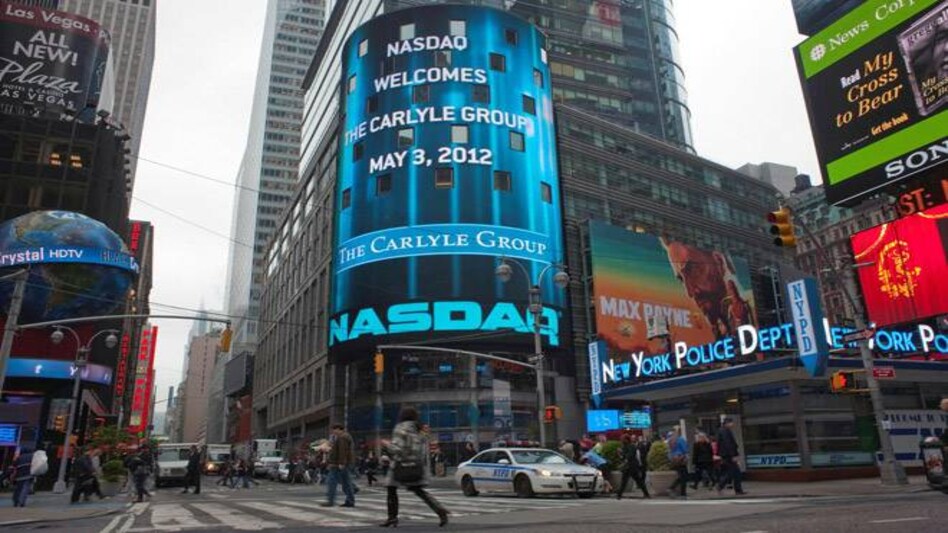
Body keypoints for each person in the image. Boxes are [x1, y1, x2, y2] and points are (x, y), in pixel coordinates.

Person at [381, 406, 448, 528]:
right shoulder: (419, 429)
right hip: (416, 465)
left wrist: (387, 445)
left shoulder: (400, 428)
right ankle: (440, 510)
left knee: (391, 489)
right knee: (418, 490)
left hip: (400, 464)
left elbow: (398, 449)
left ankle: (392, 518)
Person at [320, 424, 356, 508]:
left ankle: (331, 501)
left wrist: (341, 463)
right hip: (340, 464)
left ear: (339, 429)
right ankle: (350, 500)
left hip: (337, 464)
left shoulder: (342, 437)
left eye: (334, 430)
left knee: (331, 482)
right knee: (346, 483)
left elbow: (343, 451)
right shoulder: (343, 437)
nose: (333, 432)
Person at [716, 418, 746, 496]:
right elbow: (728, 444)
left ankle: (738, 490)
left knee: (735, 472)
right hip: (728, 455)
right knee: (732, 472)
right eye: (731, 423)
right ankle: (721, 485)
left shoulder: (724, 430)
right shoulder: (724, 431)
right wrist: (733, 455)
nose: (732, 425)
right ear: (727, 423)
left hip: (727, 455)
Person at [615, 435, 649, 499]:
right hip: (627, 467)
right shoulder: (624, 447)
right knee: (624, 481)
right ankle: (619, 495)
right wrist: (620, 454)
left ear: (627, 440)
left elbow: (630, 456)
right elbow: (623, 457)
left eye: (623, 439)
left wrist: (622, 454)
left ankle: (646, 494)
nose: (622, 441)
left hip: (632, 466)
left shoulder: (632, 446)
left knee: (638, 480)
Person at [667, 429, 689, 498]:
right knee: (684, 476)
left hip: (674, 459)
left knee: (681, 475)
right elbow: (685, 449)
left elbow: (670, 451)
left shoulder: (671, 441)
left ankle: (672, 487)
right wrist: (686, 456)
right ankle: (682, 493)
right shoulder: (680, 439)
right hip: (681, 458)